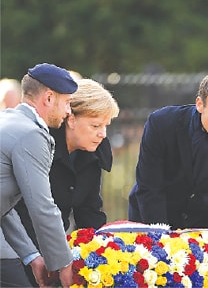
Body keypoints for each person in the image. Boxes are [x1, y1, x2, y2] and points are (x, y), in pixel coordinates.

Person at [128, 72, 208, 229]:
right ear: (200, 104)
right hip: (154, 213)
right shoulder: (162, 123)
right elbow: (149, 186)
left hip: (205, 215)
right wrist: (159, 236)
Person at [15, 78, 119, 244]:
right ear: (71, 119)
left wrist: (102, 252)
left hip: (53, 244)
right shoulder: (38, 144)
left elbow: (89, 211)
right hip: (17, 242)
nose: (103, 134)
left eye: (106, 126)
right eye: (95, 126)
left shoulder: (94, 151)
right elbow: (25, 210)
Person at [1, 63, 76, 287]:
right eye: (67, 102)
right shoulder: (31, 134)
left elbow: (4, 206)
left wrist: (31, 255)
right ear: (49, 98)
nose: (69, 111)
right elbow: (42, 207)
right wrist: (64, 264)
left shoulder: (10, 120)